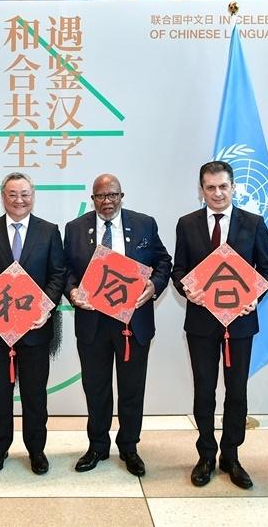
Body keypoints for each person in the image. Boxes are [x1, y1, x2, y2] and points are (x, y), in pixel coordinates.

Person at [171, 161, 268, 489]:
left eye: (223, 187)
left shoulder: (254, 223)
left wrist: (255, 296)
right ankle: (206, 455)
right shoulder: (187, 224)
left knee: (237, 391)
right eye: (211, 187)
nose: (217, 193)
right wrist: (187, 289)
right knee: (204, 391)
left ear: (234, 188)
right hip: (201, 322)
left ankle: (231, 455)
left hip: (240, 322)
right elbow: (178, 269)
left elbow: (267, 270)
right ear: (201, 190)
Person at [64, 174, 172, 477]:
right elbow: (66, 269)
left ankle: (129, 447)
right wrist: (72, 291)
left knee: (131, 388)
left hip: (133, 323)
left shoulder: (144, 224)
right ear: (92, 199)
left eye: (113, 195)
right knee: (95, 388)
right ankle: (97, 445)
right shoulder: (75, 228)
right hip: (93, 322)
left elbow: (164, 262)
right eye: (101, 196)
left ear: (122, 196)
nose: (107, 201)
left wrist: (154, 285)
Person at [0, 172, 66, 475]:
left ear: (33, 196)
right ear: (3, 197)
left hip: (36, 329)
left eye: (24, 194)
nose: (19, 200)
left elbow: (57, 275)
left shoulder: (49, 231)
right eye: (12, 194)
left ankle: (36, 450)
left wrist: (45, 308)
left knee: (35, 395)